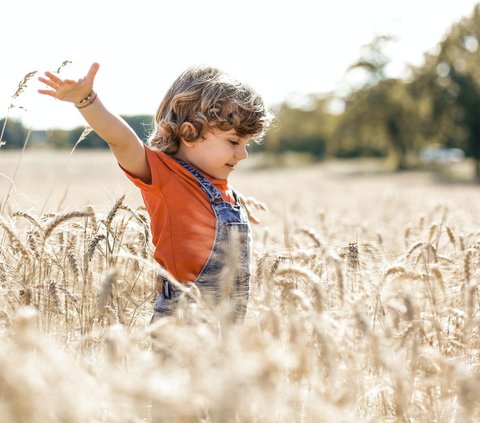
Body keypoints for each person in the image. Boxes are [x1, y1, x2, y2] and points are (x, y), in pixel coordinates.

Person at [38, 63, 272, 322]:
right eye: (233, 142)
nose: (243, 154)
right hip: (182, 318)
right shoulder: (165, 176)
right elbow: (123, 141)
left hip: (228, 322)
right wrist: (86, 99)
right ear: (189, 133)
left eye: (246, 144)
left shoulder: (223, 189)